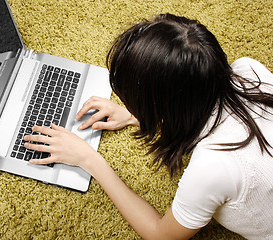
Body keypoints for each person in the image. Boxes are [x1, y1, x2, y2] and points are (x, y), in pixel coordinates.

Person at [23, 14, 273, 239]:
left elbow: (161, 235)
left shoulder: (212, 167)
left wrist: (90, 160)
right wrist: (139, 115)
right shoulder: (249, 70)